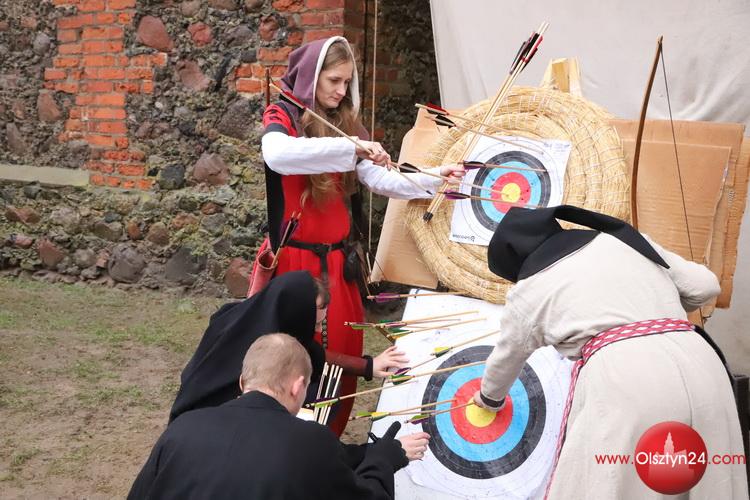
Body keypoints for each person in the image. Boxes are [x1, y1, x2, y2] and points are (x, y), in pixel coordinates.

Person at [261, 35, 464, 435]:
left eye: (346, 82)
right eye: (333, 80)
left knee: (343, 358)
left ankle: (328, 442)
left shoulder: (347, 124)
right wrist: (350, 149)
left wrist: (433, 178)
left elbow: (383, 179)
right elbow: (278, 156)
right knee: (295, 360)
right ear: (312, 77)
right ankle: (288, 443)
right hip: (296, 268)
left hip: (339, 267)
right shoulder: (282, 113)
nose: (341, 91)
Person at [472, 205, 748, 499]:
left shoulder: (528, 290)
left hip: (625, 376)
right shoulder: (623, 240)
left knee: (614, 484)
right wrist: (657, 310)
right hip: (702, 364)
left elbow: (506, 359)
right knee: (710, 485)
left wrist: (489, 398)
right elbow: (705, 287)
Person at [130, 334, 429, 500]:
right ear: (298, 386)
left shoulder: (183, 427)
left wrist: (371, 453)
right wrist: (385, 459)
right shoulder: (311, 441)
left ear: (242, 382)